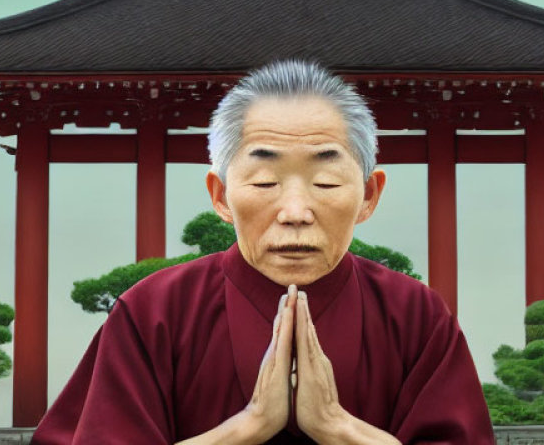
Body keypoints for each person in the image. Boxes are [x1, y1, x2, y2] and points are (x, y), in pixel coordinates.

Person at [32, 60, 495, 444]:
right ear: (220, 196)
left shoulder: (415, 315)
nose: (295, 211)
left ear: (369, 195)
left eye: (327, 183)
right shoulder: (155, 312)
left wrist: (338, 427)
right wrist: (246, 428)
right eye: (264, 183)